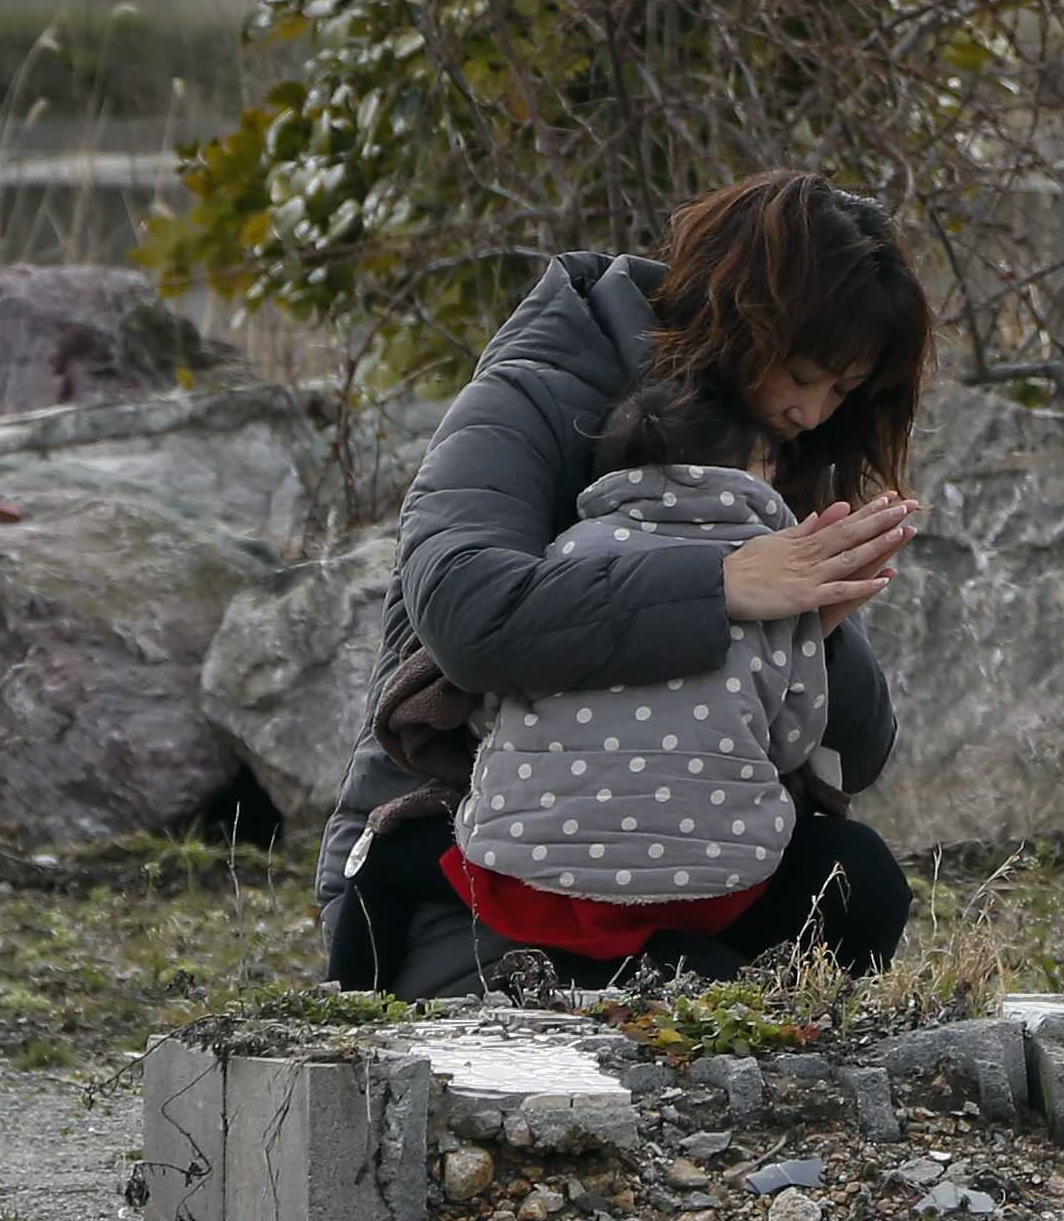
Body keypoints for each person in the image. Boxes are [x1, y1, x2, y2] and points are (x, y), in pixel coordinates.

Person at [315, 172, 928, 997]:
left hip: (691, 856)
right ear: (744, 317)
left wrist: (814, 627)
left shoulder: (769, 448)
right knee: (693, 989)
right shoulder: (535, 390)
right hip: (475, 860)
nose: (813, 413)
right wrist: (720, 587)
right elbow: (465, 610)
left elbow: (849, 759)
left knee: (859, 884)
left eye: (843, 391)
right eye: (805, 373)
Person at [439, 376, 840, 983]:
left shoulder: (562, 557)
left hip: (526, 884)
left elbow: (495, 699)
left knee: (393, 863)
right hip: (716, 885)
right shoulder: (776, 575)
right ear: (757, 469)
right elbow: (793, 739)